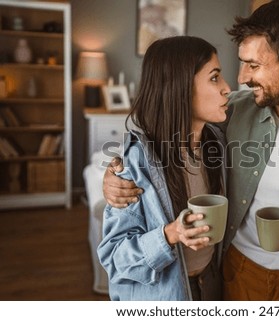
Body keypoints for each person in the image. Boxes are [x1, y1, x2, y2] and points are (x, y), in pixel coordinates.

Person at [102, 0, 279, 301]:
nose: (240, 79)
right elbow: (160, 118)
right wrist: (115, 174)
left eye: (254, 65)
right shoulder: (235, 110)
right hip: (235, 275)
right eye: (241, 63)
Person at [97, 36, 231, 301]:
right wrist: (171, 234)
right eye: (214, 78)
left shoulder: (216, 140)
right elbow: (114, 258)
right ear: (180, 88)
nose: (227, 88)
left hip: (211, 286)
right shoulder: (135, 162)